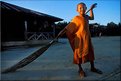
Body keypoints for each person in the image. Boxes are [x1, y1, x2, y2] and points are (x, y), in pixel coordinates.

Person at [55, 2, 103, 78]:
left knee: (90, 51)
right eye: (80, 8)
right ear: (77, 10)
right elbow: (68, 27)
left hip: (87, 38)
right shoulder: (76, 18)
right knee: (78, 54)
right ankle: (80, 69)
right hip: (79, 40)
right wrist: (60, 33)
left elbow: (92, 18)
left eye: (84, 7)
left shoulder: (87, 17)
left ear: (86, 8)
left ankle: (92, 68)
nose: (82, 9)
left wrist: (91, 9)